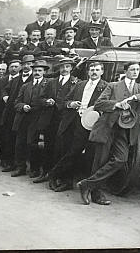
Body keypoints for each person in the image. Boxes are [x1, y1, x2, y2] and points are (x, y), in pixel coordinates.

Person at [77, 61, 140, 205]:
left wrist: (134, 98)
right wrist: (116, 104)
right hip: (107, 127)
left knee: (121, 159)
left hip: (125, 130)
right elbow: (99, 103)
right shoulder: (113, 86)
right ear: (125, 71)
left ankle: (86, 184)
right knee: (100, 160)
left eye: (137, 69)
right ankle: (97, 193)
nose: (135, 72)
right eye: (132, 69)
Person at [45, 62, 108, 192]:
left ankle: (88, 186)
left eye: (97, 70)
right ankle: (62, 179)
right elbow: (65, 101)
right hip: (75, 121)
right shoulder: (80, 84)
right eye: (91, 70)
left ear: (102, 72)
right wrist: (72, 103)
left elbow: (107, 105)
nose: (94, 72)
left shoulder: (106, 87)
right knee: (72, 152)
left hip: (93, 125)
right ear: (88, 72)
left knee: (90, 155)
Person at [32, 57, 78, 183]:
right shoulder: (51, 82)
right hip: (50, 120)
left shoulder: (76, 83)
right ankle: (45, 173)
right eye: (62, 67)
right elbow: (40, 99)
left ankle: (59, 176)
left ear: (71, 68)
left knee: (62, 149)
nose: (64, 69)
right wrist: (47, 101)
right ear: (59, 68)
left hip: (65, 120)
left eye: (67, 67)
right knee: (48, 147)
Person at [11, 59, 50, 177]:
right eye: (35, 70)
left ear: (44, 72)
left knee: (33, 145)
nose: (37, 72)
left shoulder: (48, 84)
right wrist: (23, 106)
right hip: (23, 118)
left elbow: (48, 101)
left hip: (38, 118)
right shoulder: (25, 86)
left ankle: (35, 169)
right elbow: (16, 102)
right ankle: (20, 167)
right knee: (20, 143)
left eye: (39, 70)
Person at [0, 57, 33, 172]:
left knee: (23, 140)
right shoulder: (15, 79)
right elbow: (5, 89)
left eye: (29, 64)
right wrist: (5, 96)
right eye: (24, 64)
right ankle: (11, 163)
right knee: (10, 138)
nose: (26, 66)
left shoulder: (35, 78)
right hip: (12, 113)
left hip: (26, 113)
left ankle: (22, 166)